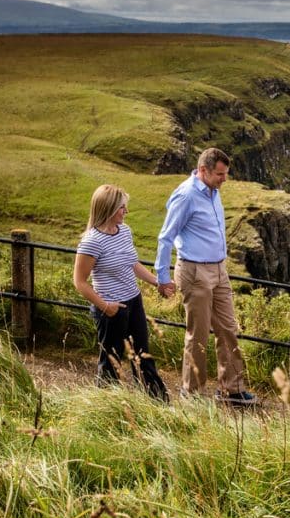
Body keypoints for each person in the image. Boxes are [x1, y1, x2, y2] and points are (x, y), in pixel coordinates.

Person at [155, 147, 255, 405]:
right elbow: (165, 237)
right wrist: (162, 276)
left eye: (225, 174)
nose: (225, 179)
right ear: (203, 170)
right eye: (220, 174)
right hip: (195, 270)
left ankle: (232, 389)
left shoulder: (212, 192)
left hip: (219, 270)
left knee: (228, 329)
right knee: (197, 334)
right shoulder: (186, 196)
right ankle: (192, 393)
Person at [73, 185, 169, 401]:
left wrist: (157, 282)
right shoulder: (91, 242)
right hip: (110, 310)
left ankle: (158, 404)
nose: (126, 212)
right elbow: (79, 282)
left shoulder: (124, 231)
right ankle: (106, 407)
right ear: (108, 209)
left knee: (143, 355)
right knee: (111, 362)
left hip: (134, 301)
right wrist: (106, 307)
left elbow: (132, 263)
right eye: (122, 208)